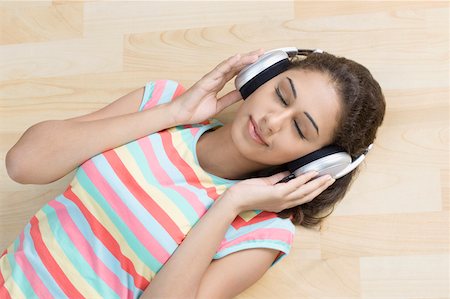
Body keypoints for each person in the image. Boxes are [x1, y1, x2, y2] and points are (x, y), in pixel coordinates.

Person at [1, 48, 385, 298]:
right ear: (260, 76)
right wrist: (173, 115)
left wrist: (229, 204)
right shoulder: (162, 103)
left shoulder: (262, 232)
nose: (272, 120)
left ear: (317, 163)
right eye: (281, 95)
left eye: (301, 128)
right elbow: (24, 163)